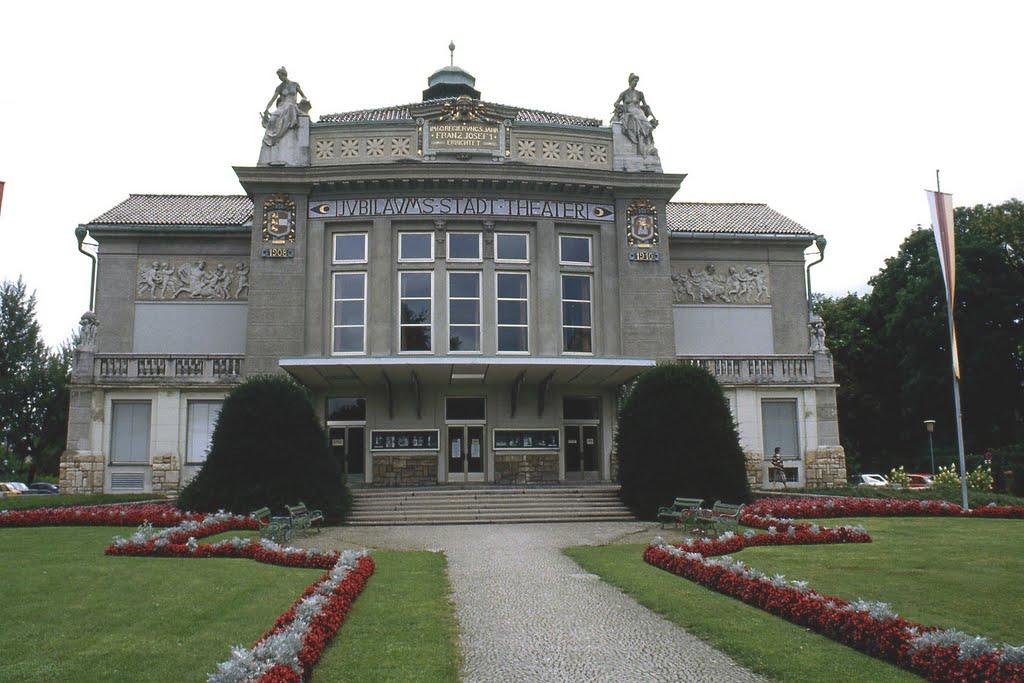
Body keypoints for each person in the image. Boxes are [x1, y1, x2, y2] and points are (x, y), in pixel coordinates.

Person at [612, 73, 659, 158]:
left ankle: (648, 147)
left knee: (648, 126)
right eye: (634, 81)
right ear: (630, 82)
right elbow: (615, 103)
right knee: (637, 125)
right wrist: (622, 107)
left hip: (639, 111)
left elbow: (645, 105)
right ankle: (641, 148)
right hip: (630, 111)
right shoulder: (624, 93)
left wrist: (652, 115)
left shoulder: (640, 94)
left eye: (637, 81)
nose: (635, 83)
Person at [262, 67, 308, 147]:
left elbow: (304, 96)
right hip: (282, 106)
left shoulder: (294, 84)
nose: (280, 78)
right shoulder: (280, 87)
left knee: (290, 108)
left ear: (284, 75)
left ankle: (292, 124)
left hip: (292, 105)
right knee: (273, 118)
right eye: (278, 77)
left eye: (280, 76)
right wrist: (267, 108)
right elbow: (273, 99)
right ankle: (270, 139)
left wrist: (303, 100)